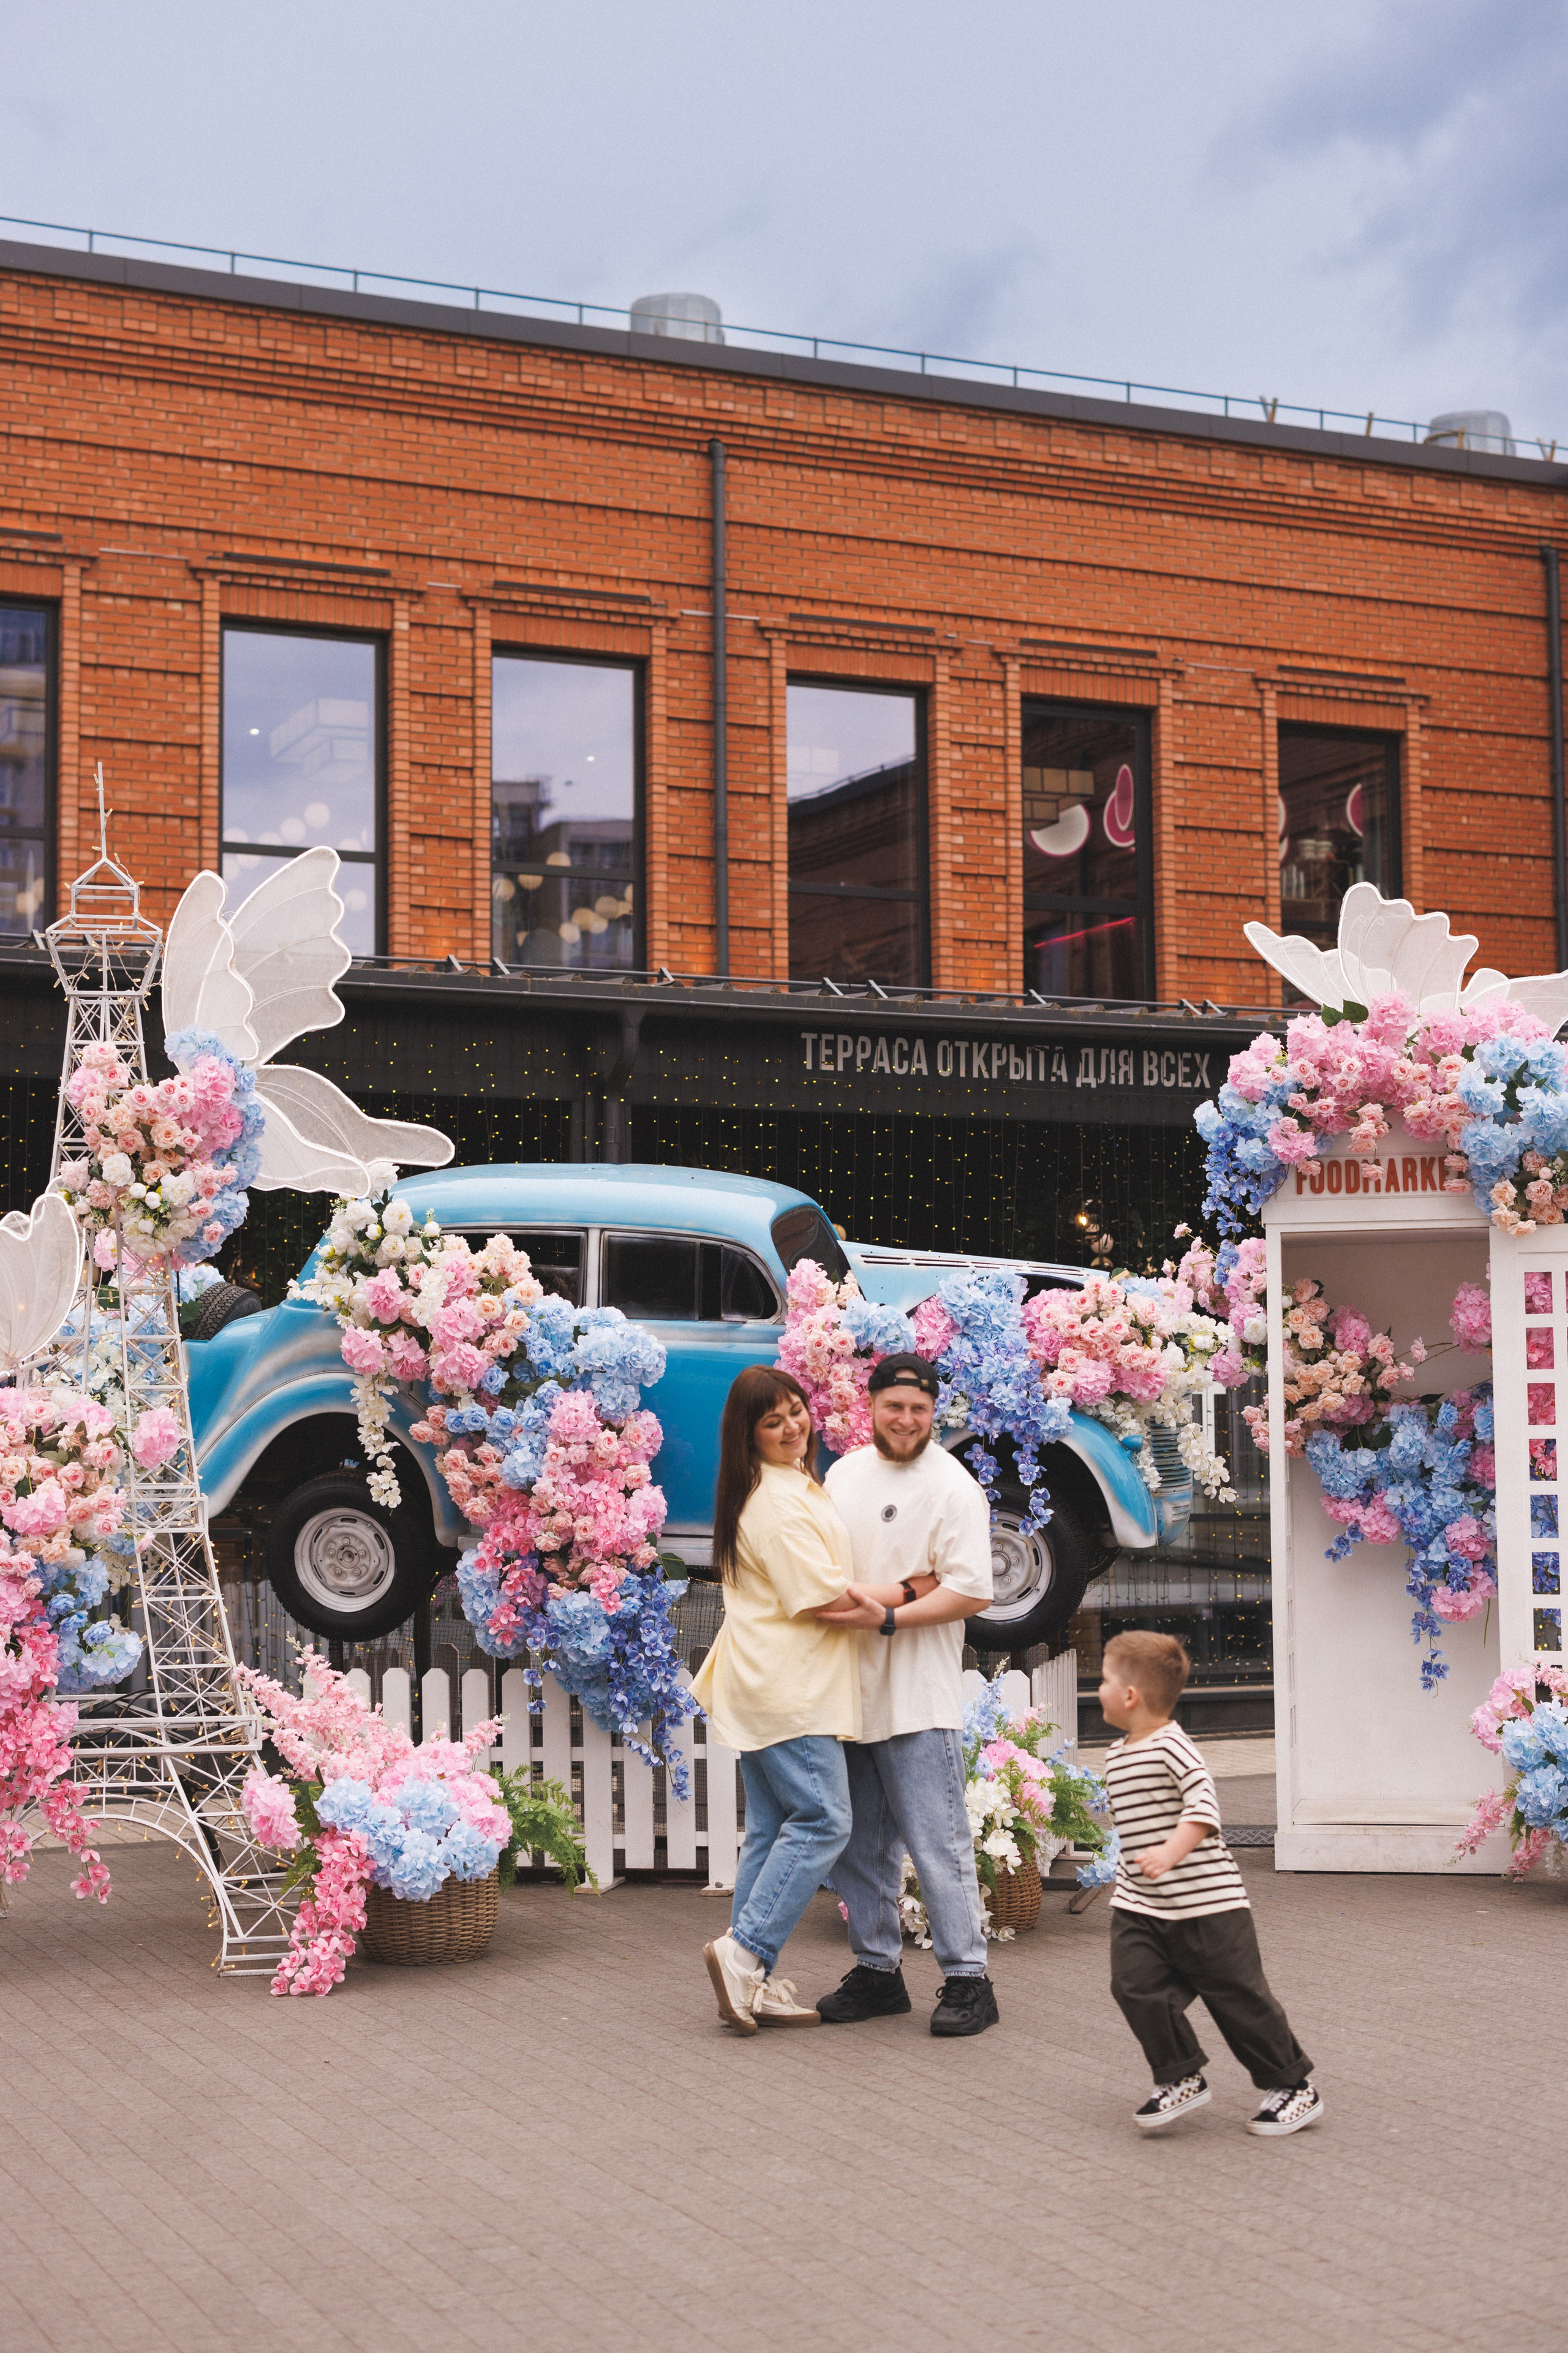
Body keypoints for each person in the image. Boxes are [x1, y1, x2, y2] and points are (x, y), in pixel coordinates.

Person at [812, 1352, 1001, 2039]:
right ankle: (877, 1972)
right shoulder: (843, 1474)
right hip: (847, 1692)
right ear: (870, 1406)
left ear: (933, 1413)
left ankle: (967, 1979)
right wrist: (899, 1589)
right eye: (894, 1406)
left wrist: (890, 1614)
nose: (906, 1419)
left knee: (937, 1841)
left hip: (917, 1695)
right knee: (858, 1845)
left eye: (919, 1409)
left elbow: (973, 1588)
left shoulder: (952, 1487)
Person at [690, 1365, 864, 2034]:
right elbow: (821, 1599)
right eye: (773, 1421)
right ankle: (746, 1951)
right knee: (823, 1820)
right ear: (749, 1436)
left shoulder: (782, 1486)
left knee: (770, 1828)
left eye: (795, 1411)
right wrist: (903, 1603)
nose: (792, 1426)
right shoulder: (775, 1502)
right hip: (790, 1687)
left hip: (765, 1681)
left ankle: (748, 1977)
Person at [1098, 1628, 1324, 2136]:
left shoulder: (1174, 1747)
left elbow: (1202, 1805)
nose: (1100, 1689)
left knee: (1240, 2000)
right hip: (1142, 1905)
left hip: (1210, 1906)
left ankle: (1293, 2086)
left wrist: (1171, 1851)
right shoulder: (1115, 1755)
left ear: (1130, 1696)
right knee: (1133, 1985)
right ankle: (1180, 2075)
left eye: (1106, 1679)